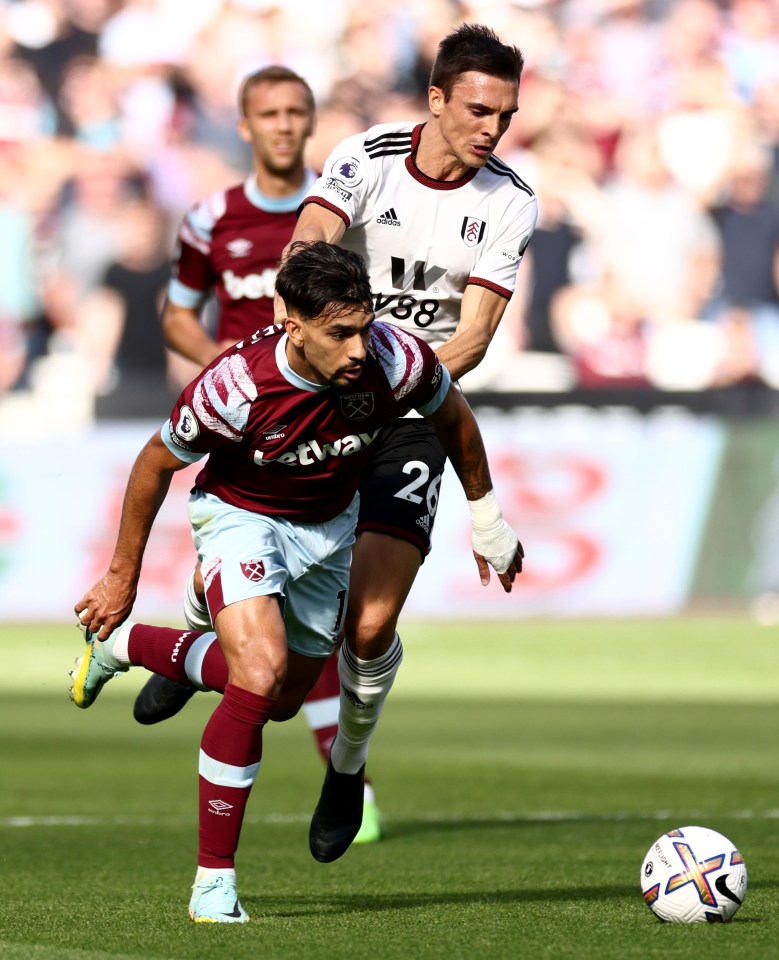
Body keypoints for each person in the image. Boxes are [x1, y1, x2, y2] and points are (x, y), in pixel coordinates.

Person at [136, 23, 538, 860]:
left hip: (403, 409)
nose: (491, 130)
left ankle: (347, 767)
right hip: (325, 383)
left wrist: (471, 491)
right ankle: (184, 633)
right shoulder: (367, 154)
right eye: (476, 110)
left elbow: (473, 339)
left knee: (368, 626)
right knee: (248, 522)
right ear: (436, 99)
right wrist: (329, 353)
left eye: (504, 115)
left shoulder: (512, 199)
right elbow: (308, 247)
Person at [70, 241, 524, 923]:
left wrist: (487, 516)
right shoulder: (234, 387)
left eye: (363, 327)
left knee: (280, 699)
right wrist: (120, 574)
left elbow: (452, 416)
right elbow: (154, 463)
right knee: (257, 677)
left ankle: (134, 648)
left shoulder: (395, 359)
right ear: (293, 324)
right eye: (340, 333)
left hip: (330, 528)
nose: (358, 350)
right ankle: (213, 884)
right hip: (239, 517)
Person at [131, 64, 384, 841]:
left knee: (325, 629)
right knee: (266, 654)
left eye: (295, 113)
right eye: (267, 113)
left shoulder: (340, 217)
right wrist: (225, 370)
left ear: (311, 126)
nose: (282, 125)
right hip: (250, 426)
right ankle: (187, 636)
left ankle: (182, 649)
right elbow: (174, 313)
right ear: (244, 126)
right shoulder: (209, 218)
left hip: (332, 419)